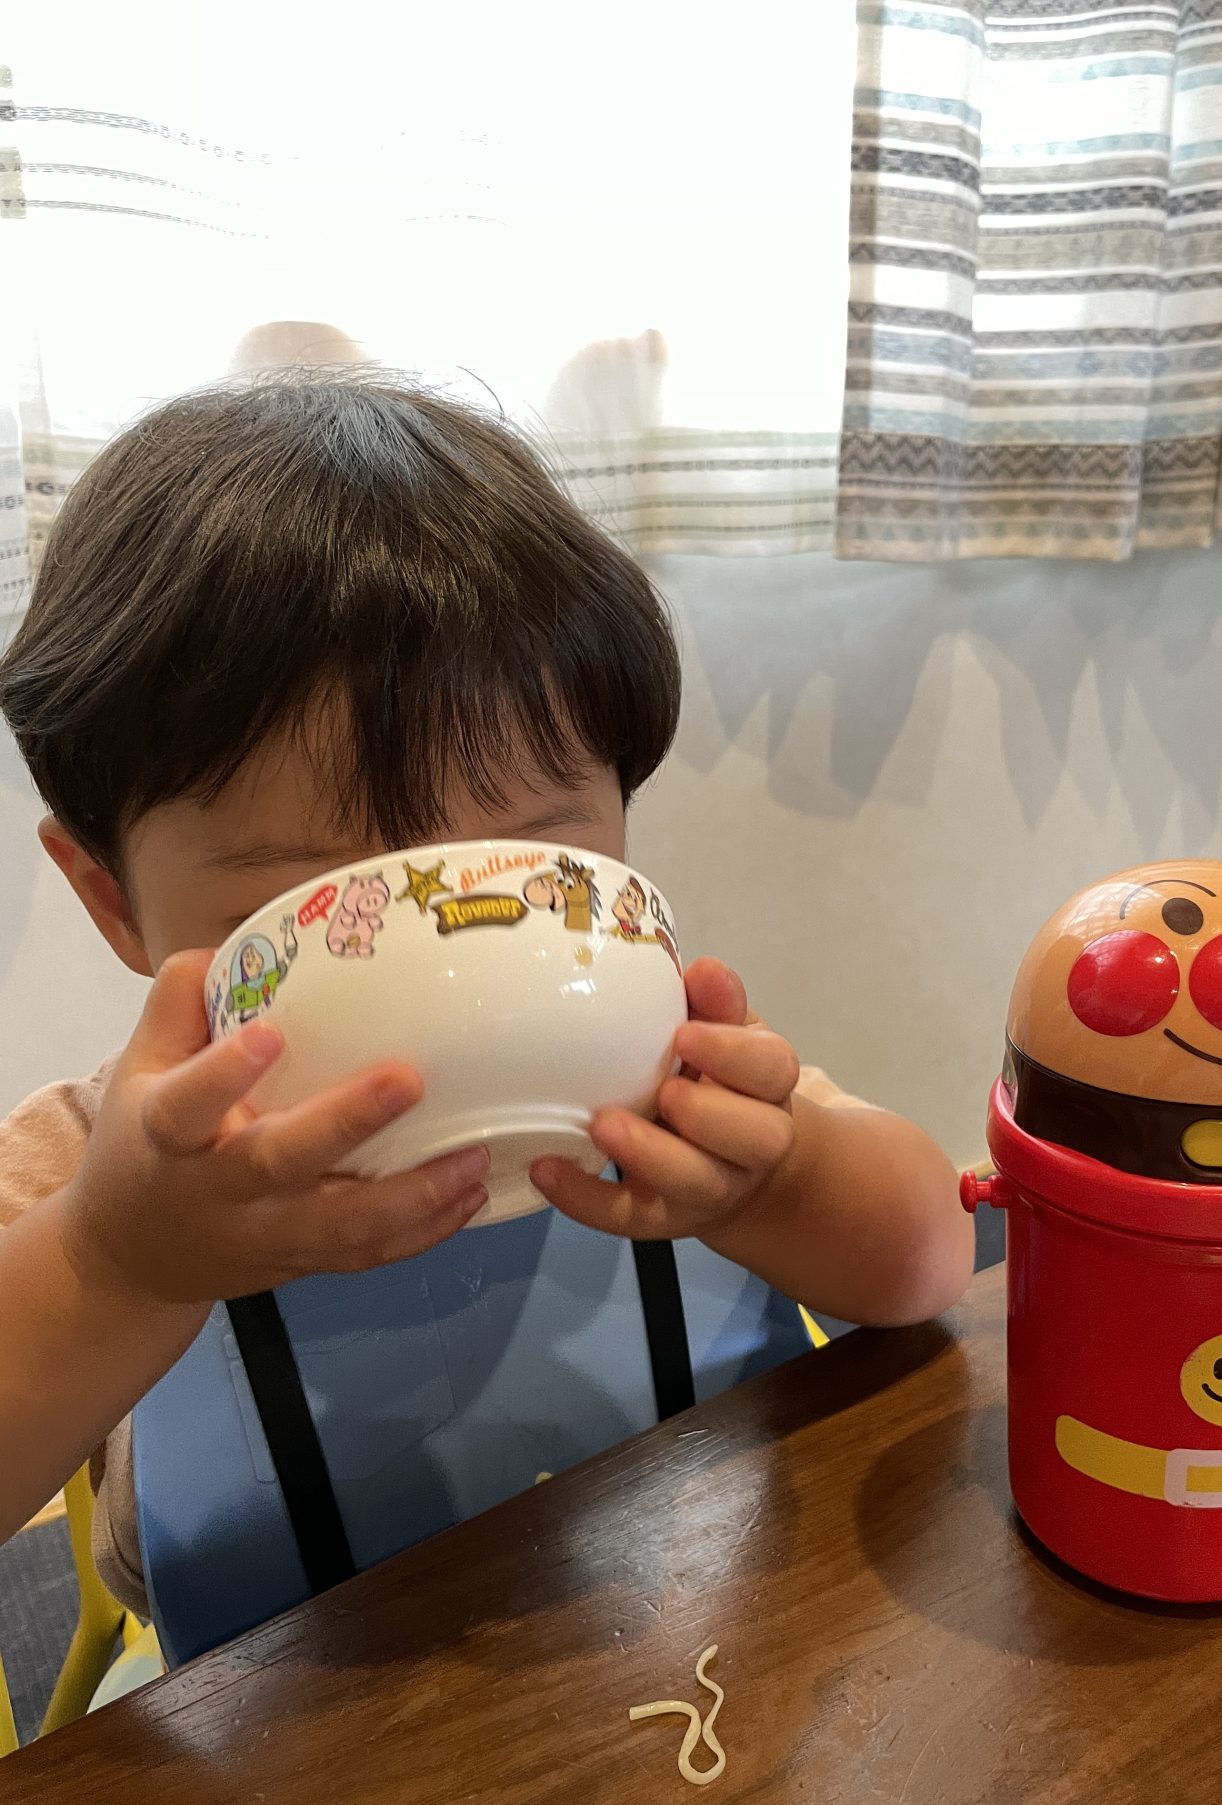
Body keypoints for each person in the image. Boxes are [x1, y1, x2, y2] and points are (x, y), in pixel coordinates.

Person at [0, 376, 973, 1607]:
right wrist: (120, 1257)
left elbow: (931, 1262)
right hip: (299, 1710)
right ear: (112, 900)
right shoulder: (93, 1158)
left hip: (715, 1630)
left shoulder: (671, 1074)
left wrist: (778, 1180)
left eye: (527, 858)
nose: (439, 964)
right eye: (320, 897)